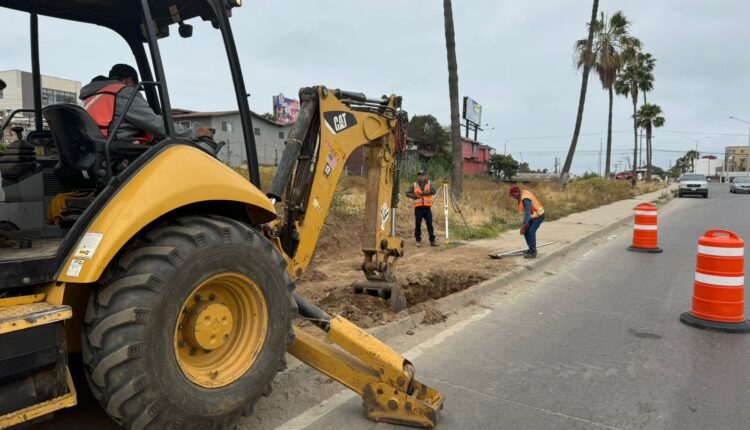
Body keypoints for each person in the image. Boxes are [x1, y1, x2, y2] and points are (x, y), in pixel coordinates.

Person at [79, 64, 213, 142]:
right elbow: (154, 123)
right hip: (118, 151)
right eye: (134, 85)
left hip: (95, 148)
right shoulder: (123, 92)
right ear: (128, 81)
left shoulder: (90, 96)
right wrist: (193, 133)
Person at [509, 185, 545, 258]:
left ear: (517, 192)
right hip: (533, 216)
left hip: (539, 216)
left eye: (513, 195)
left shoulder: (525, 199)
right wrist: (525, 225)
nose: (513, 197)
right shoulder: (522, 194)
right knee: (526, 231)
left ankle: (533, 252)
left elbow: (528, 213)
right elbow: (527, 213)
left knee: (531, 231)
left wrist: (524, 225)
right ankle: (531, 249)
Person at [405, 170, 436, 247]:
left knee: (430, 225)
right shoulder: (414, 185)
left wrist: (423, 193)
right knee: (418, 224)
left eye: (422, 175)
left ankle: (432, 241)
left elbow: (433, 191)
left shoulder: (429, 183)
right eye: (419, 175)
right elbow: (407, 193)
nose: (421, 177)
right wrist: (415, 196)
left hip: (427, 208)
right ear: (418, 177)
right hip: (418, 209)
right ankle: (418, 240)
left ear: (425, 176)